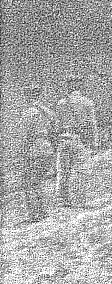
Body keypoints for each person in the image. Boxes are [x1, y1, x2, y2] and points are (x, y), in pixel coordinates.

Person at [17, 86, 60, 223]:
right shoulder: (48, 112)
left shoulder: (28, 113)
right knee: (39, 182)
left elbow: (24, 136)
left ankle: (35, 214)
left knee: (29, 183)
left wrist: (21, 153)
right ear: (39, 95)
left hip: (34, 150)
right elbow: (55, 132)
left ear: (27, 96)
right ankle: (42, 211)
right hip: (47, 148)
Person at [56, 77, 100, 207]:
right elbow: (92, 125)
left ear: (68, 88)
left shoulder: (61, 103)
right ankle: (79, 200)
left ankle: (63, 200)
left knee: (63, 170)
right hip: (79, 139)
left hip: (64, 138)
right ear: (80, 87)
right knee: (81, 170)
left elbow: (57, 125)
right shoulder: (87, 103)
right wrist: (95, 143)